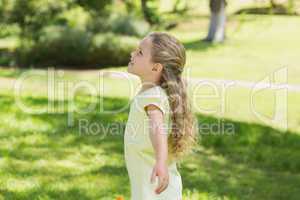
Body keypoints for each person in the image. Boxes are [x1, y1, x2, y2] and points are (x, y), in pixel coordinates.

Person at [124, 32, 198, 200]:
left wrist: (161, 162)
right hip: (153, 183)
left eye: (140, 52)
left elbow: (157, 127)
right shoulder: (154, 93)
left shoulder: (153, 95)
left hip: (155, 185)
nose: (132, 54)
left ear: (156, 67)